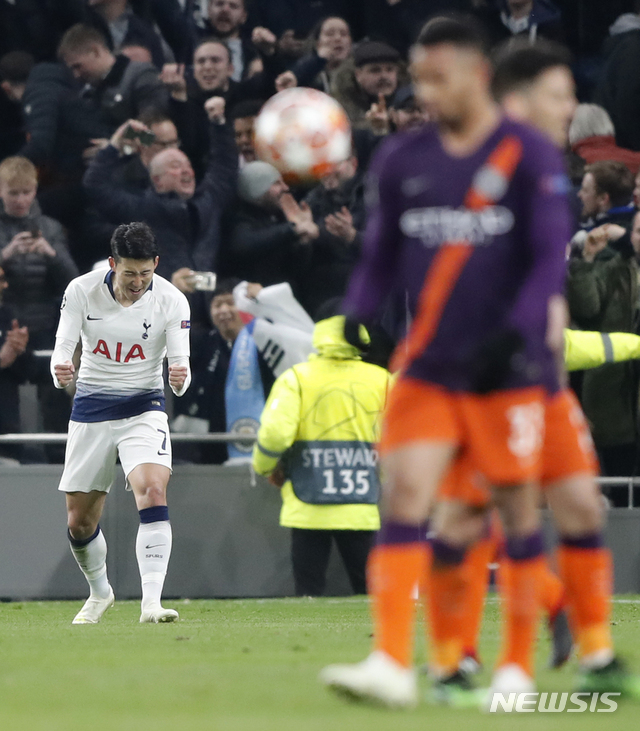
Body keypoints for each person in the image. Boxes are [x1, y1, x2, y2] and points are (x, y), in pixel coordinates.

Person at [320, 16, 571, 708]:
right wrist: (360, 311)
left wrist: (517, 333)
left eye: (439, 78)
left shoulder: (529, 154)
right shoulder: (402, 158)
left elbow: (549, 258)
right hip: (428, 365)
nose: (425, 92)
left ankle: (516, 665)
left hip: (504, 370)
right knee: (405, 498)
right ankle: (392, 661)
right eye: (419, 79)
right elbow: (380, 254)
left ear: (477, 73)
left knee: (510, 513)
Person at [425, 40, 636, 705]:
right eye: (559, 93)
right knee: (471, 518)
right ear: (518, 100)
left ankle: (589, 643)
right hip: (482, 373)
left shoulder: (545, 170)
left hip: (536, 373)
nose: (571, 106)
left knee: (576, 504)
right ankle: (460, 660)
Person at [51, 221, 191, 625]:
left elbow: (180, 364)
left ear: (156, 265)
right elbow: (63, 348)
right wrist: (60, 369)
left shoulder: (172, 300)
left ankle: (151, 603)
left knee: (151, 489)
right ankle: (100, 593)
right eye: (130, 273)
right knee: (79, 522)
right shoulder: (81, 290)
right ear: (113, 264)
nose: (138, 282)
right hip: (92, 407)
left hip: (143, 406)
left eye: (146, 273)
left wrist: (180, 379)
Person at [253, 307, 389, 596]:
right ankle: (376, 641)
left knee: (309, 593)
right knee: (372, 597)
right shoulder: (383, 380)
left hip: (308, 504)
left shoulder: (297, 379)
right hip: (360, 506)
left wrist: (265, 466)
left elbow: (275, 434)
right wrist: (385, 478)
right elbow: (401, 439)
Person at [83, 98, 237, 326]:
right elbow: (95, 185)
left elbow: (224, 167)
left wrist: (218, 122)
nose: (185, 171)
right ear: (157, 181)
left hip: (211, 318)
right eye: (175, 167)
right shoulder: (142, 210)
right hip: (160, 319)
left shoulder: (208, 200)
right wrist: (115, 145)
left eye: (187, 166)